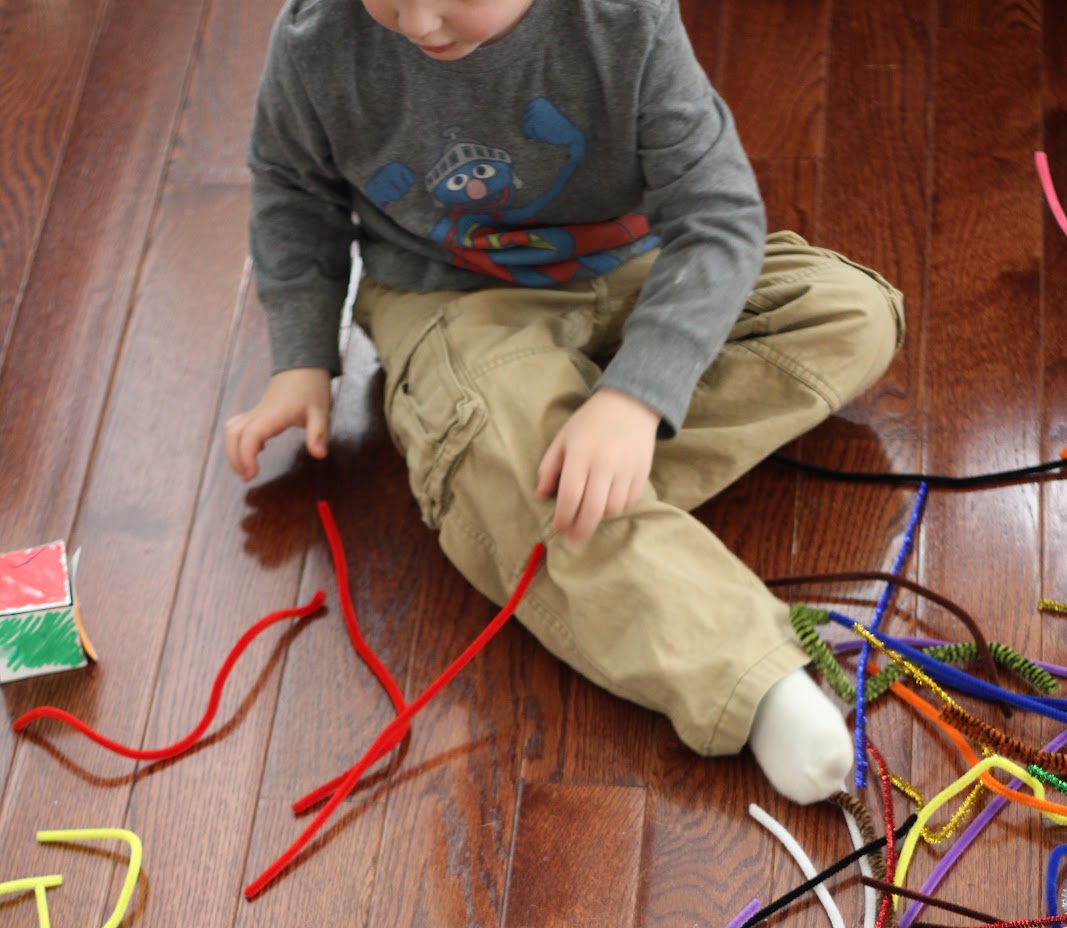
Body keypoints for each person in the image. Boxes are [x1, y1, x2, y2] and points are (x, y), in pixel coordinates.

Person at [225, 0, 905, 803]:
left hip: (636, 267)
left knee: (852, 316)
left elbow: (716, 217)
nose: (417, 22)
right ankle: (748, 680)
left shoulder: (622, 19)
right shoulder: (316, 39)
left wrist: (635, 399)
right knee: (498, 429)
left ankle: (531, 490)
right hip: (453, 298)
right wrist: (303, 356)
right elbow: (292, 187)